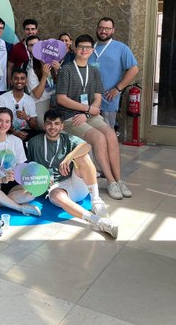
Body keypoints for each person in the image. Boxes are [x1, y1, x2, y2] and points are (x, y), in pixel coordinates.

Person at [56, 34, 130, 200]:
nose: (84, 50)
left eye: (88, 47)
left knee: (110, 134)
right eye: (81, 47)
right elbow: (61, 98)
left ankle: (119, 180)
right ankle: (110, 182)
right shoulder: (66, 70)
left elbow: (97, 97)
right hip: (70, 118)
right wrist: (86, 109)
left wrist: (88, 112)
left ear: (92, 50)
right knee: (98, 138)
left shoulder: (94, 71)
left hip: (88, 114)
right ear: (74, 48)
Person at [27, 109, 118, 237]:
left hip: (76, 182)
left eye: (56, 123)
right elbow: (30, 167)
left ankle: (96, 201)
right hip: (57, 188)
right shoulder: (33, 142)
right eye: (49, 123)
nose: (53, 127)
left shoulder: (67, 138)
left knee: (82, 156)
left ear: (62, 126)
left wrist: (70, 157)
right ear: (44, 125)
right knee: (55, 195)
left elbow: (87, 146)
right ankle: (97, 221)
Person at [89, 17, 139, 131]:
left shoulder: (121, 48)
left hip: (108, 98)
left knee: (107, 131)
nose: (103, 31)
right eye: (101, 28)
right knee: (89, 132)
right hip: (88, 99)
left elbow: (134, 69)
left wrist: (118, 89)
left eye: (107, 28)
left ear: (113, 30)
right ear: (97, 29)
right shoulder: (90, 48)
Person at [0, 68, 39, 144]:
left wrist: (26, 117)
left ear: (26, 82)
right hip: (7, 131)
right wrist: (15, 133)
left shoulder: (30, 100)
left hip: (25, 132)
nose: (19, 81)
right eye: (16, 78)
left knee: (38, 137)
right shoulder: (2, 98)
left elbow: (34, 126)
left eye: (22, 79)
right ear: (11, 81)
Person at [25, 35, 57, 127]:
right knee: (50, 127)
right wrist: (44, 76)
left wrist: (59, 70)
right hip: (40, 104)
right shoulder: (32, 72)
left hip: (54, 104)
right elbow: (37, 95)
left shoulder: (53, 67)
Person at [7, 18, 38, 83]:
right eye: (27, 29)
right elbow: (10, 67)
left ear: (36, 30)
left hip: (39, 83)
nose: (30, 32)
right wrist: (10, 83)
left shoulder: (43, 47)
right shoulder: (16, 48)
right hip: (21, 84)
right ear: (24, 30)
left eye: (33, 29)